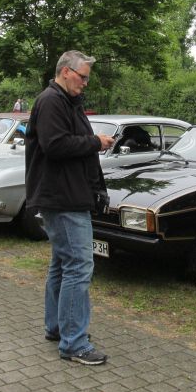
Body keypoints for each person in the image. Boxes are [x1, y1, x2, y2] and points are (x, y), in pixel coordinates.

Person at [25, 50, 114, 365]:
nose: (85, 83)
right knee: (79, 265)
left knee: (63, 264)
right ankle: (74, 342)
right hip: (62, 198)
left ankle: (58, 328)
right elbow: (55, 145)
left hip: (67, 194)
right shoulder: (52, 101)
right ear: (66, 72)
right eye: (83, 77)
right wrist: (95, 142)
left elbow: (68, 143)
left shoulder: (67, 102)